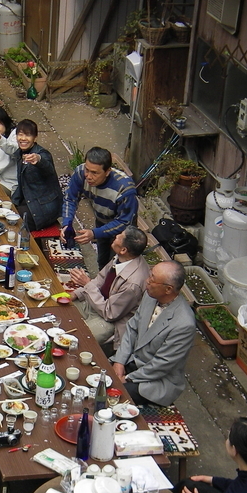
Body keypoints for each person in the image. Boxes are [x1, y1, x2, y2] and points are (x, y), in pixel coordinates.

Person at [111, 260, 196, 406]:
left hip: (155, 379)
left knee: (114, 395)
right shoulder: (150, 296)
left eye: (152, 279)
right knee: (97, 375)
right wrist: (119, 361)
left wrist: (127, 378)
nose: (147, 281)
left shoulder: (184, 324)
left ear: (168, 289)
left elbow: (162, 365)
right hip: (132, 360)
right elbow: (132, 328)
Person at [69, 226, 149, 347]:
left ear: (123, 250)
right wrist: (77, 293)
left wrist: (87, 284)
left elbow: (110, 313)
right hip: (97, 303)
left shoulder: (133, 284)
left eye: (119, 237)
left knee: (76, 339)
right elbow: (100, 279)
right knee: (61, 309)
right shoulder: (122, 258)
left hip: (111, 320)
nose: (116, 236)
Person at [61, 147, 138, 269]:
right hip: (102, 221)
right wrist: (67, 223)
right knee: (102, 262)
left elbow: (124, 221)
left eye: (95, 173)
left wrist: (94, 233)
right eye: (87, 170)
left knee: (116, 267)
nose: (89, 176)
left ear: (107, 172)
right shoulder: (81, 173)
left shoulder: (124, 188)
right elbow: (70, 199)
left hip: (123, 232)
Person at [11, 119, 63, 230]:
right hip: (28, 201)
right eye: (20, 135)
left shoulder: (42, 154)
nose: (23, 138)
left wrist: (38, 160)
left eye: (28, 135)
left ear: (35, 138)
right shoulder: (20, 153)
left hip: (43, 207)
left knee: (13, 221)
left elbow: (48, 168)